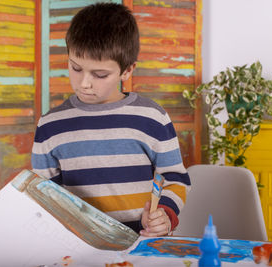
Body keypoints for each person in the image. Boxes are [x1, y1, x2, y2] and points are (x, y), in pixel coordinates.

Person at [31, 2, 190, 237]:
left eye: (100, 74)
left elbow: (175, 177)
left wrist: (164, 214)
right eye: (75, 68)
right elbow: (45, 195)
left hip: (143, 245)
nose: (84, 83)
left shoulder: (152, 118)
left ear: (127, 70)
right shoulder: (50, 127)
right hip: (81, 250)